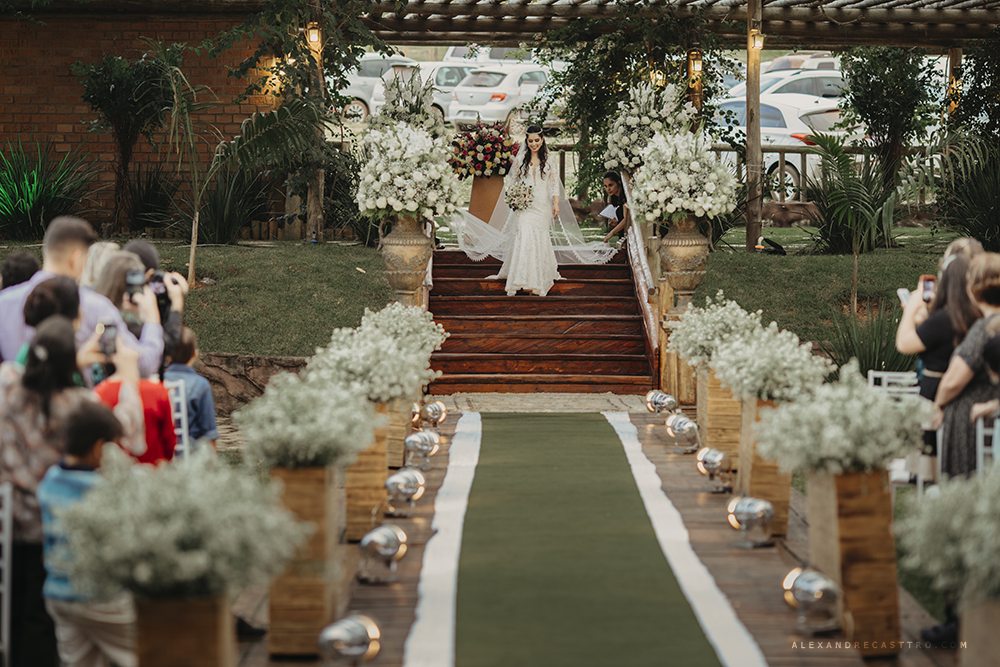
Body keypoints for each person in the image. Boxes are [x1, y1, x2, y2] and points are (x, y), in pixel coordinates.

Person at [0, 315, 145, 667]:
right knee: (41, 624)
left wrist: (65, 358)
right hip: (56, 527)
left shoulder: (7, 387)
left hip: (11, 524)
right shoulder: (80, 404)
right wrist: (128, 373)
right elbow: (130, 431)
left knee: (17, 612)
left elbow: (18, 371)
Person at [0, 216, 164, 378]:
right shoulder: (95, 306)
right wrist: (152, 320)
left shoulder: (4, 301)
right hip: (77, 402)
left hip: (14, 402)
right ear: (76, 258)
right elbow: (143, 365)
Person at [38, 402, 137, 667]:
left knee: (80, 662)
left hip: (59, 595)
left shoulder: (50, 480)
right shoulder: (103, 489)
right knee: (146, 651)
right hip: (99, 597)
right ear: (97, 447)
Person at [455, 127, 616, 285]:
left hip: (542, 205)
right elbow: (513, 182)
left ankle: (538, 275)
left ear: (542, 140)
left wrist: (556, 203)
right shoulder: (521, 159)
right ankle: (521, 276)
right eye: (530, 141)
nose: (533, 144)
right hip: (524, 205)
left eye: (537, 140)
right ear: (527, 141)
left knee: (539, 236)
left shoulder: (549, 160)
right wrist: (513, 196)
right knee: (524, 233)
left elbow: (553, 184)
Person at [896, 253, 981, 454]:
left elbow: (903, 344)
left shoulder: (943, 318)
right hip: (966, 390)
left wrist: (911, 308)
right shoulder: (974, 315)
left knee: (933, 457)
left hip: (935, 392)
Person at [934, 252, 1000, 478]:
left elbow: (953, 381)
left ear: (974, 289)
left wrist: (938, 403)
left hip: (973, 427)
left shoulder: (984, 329)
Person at [163, 327, 219, 448]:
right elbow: (209, 433)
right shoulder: (201, 385)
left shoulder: (158, 383)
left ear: (168, 356)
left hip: (162, 458)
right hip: (190, 456)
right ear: (195, 354)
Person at [601, 171, 630, 244]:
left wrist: (611, 233)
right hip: (622, 236)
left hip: (629, 238)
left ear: (619, 183)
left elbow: (627, 220)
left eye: (610, 185)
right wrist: (617, 223)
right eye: (605, 186)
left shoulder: (625, 198)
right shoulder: (617, 199)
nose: (608, 189)